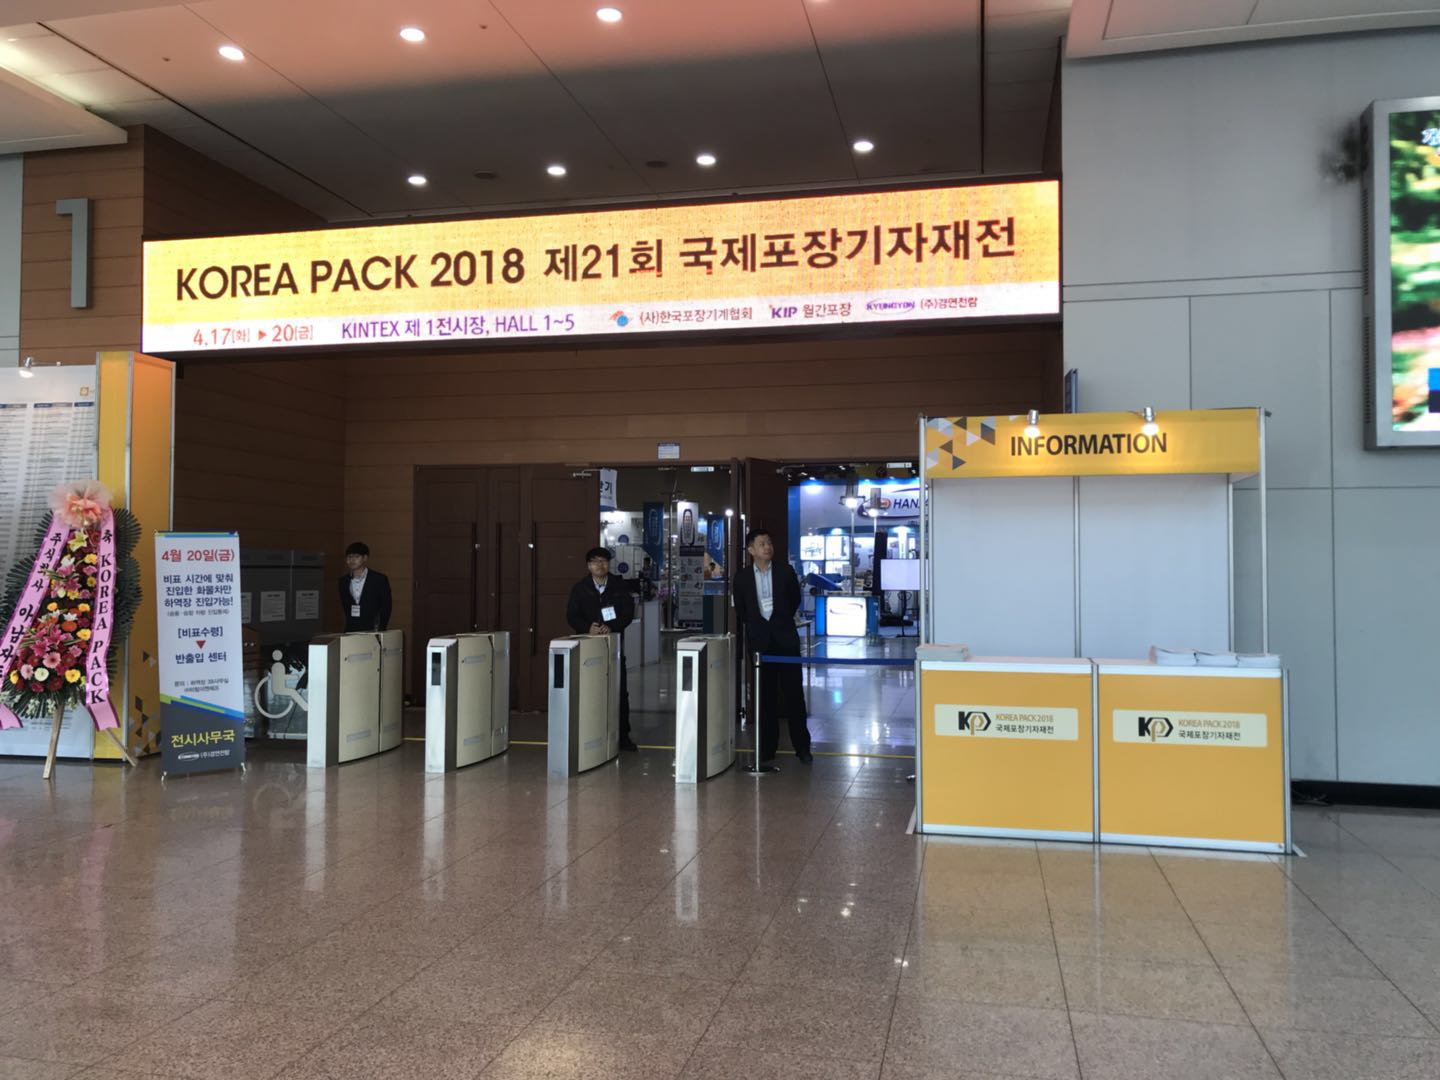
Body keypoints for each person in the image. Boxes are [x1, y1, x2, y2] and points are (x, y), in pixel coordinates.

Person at [732, 527, 813, 765]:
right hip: (761, 644)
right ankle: (767, 748)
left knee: (794, 696)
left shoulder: (785, 572)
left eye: (769, 543)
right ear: (751, 550)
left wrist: (780, 621)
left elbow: (794, 600)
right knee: (765, 698)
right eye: (762, 544)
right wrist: (759, 627)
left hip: (785, 640)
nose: (767, 547)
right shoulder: (742, 577)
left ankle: (802, 747)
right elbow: (742, 611)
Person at [566, 546, 637, 751]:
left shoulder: (619, 586)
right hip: (588, 647)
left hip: (613, 646)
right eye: (595, 561)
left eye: (604, 561)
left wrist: (612, 626)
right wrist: (587, 627)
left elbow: (628, 612)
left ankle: (623, 736)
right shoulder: (580, 588)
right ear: (589, 566)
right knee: (590, 690)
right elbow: (571, 615)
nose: (600, 565)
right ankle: (591, 732)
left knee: (619, 691)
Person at [339, 541, 392, 632]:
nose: (352, 560)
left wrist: (380, 627)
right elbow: (346, 607)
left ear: (365, 558)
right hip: (351, 629)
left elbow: (386, 606)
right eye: (349, 557)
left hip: (373, 629)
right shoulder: (343, 581)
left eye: (356, 557)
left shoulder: (379, 579)